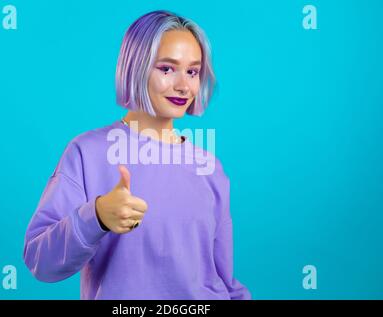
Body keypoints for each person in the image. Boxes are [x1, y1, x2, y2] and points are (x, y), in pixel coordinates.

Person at [23, 10, 251, 300]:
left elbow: (223, 279)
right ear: (136, 67)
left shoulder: (210, 167)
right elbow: (39, 261)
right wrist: (96, 217)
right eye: (167, 69)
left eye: (193, 71)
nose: (183, 86)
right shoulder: (87, 153)